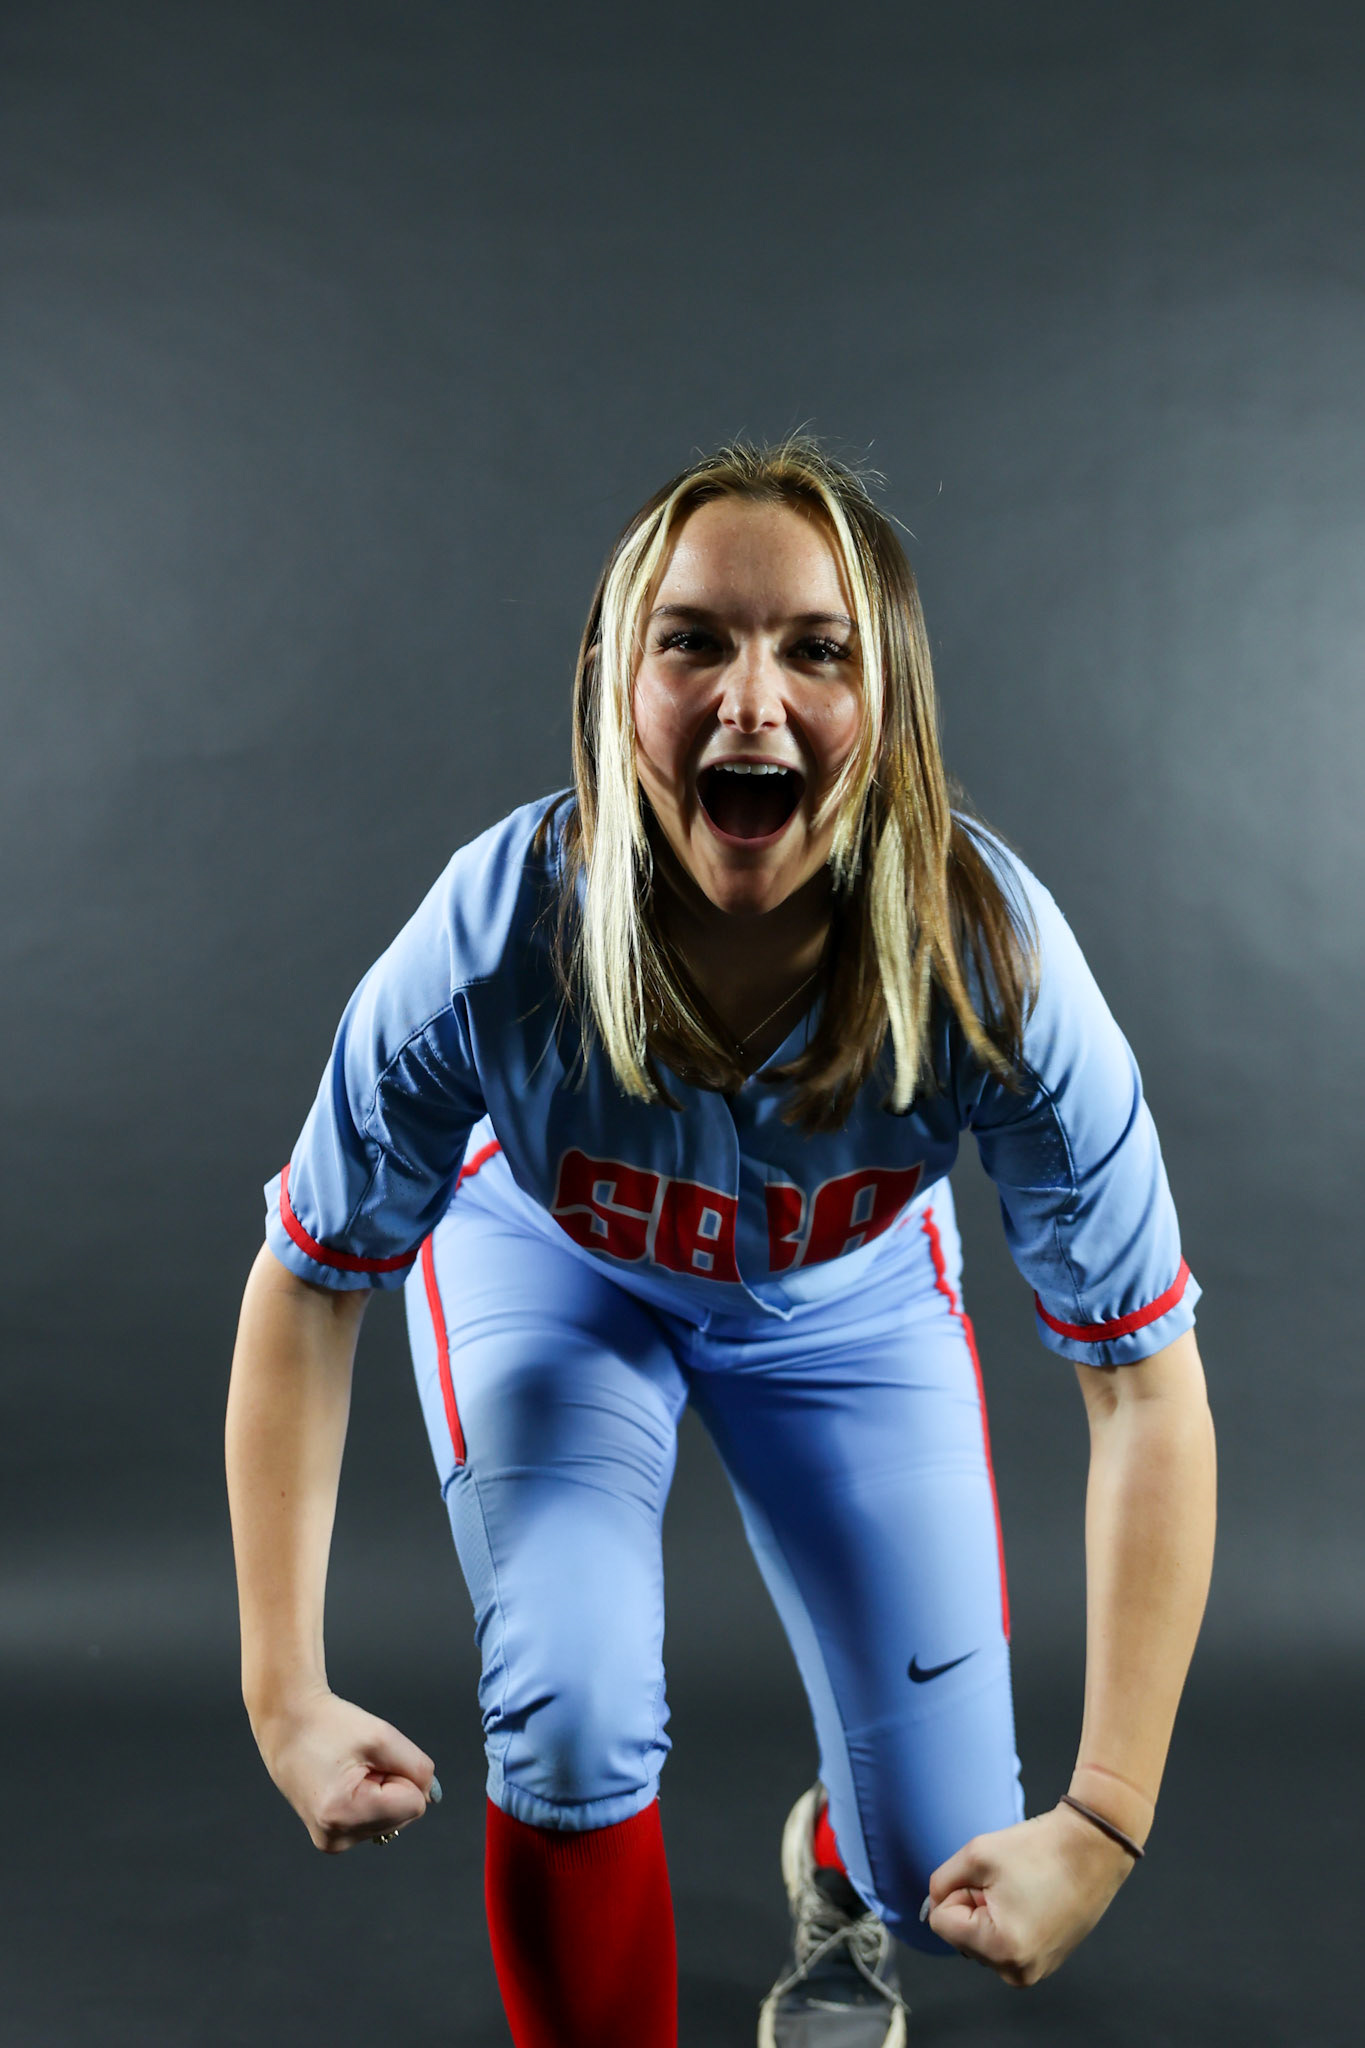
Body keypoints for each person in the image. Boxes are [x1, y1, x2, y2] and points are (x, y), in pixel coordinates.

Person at [225, 439, 1216, 2048]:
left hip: (846, 1302)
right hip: (552, 1273)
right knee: (569, 1701)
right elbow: (311, 1283)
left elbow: (1146, 1392)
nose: (751, 702)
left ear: (886, 705)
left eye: (814, 648)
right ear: (614, 686)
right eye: (694, 639)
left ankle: (845, 1857)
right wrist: (284, 1694)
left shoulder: (995, 974)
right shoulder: (491, 938)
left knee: (948, 1873)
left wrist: (1102, 1815)